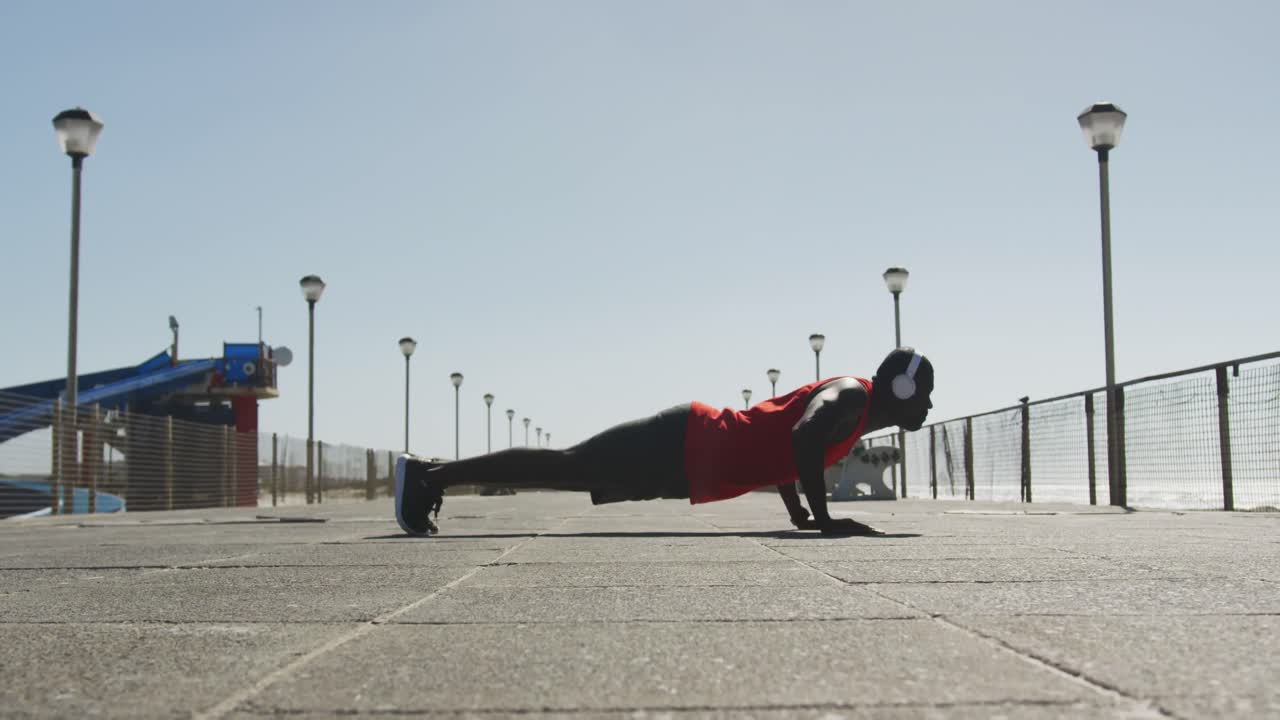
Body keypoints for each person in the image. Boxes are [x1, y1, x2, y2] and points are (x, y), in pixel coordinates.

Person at [395, 347, 933, 537]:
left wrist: (799, 514)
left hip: (693, 466)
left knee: (567, 471)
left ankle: (434, 473)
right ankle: (428, 475)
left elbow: (786, 446)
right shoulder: (850, 395)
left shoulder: (857, 411)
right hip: (689, 440)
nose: (928, 406)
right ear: (901, 389)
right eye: (924, 395)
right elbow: (804, 434)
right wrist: (828, 519)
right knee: (568, 464)